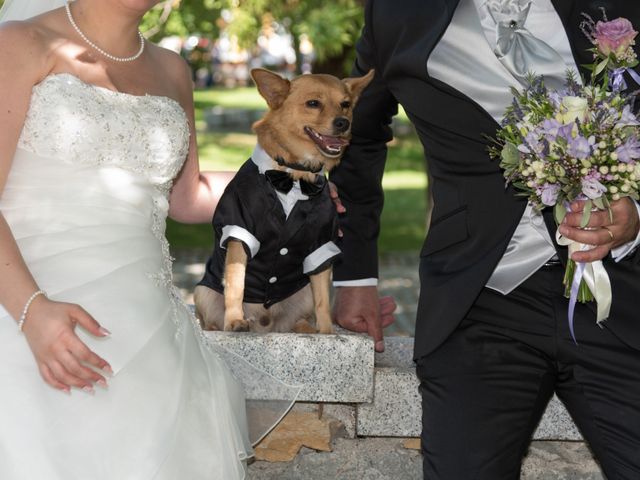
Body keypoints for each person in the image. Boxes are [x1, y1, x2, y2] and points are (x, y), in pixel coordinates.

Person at [331, 0, 640, 478]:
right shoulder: (394, 13)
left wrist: (635, 214)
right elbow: (359, 136)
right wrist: (354, 277)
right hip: (478, 303)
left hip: (623, 293)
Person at [0, 1, 298, 478]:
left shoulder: (172, 68)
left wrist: (288, 184)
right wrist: (32, 311)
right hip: (29, 314)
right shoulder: (20, 42)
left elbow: (187, 197)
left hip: (150, 336)